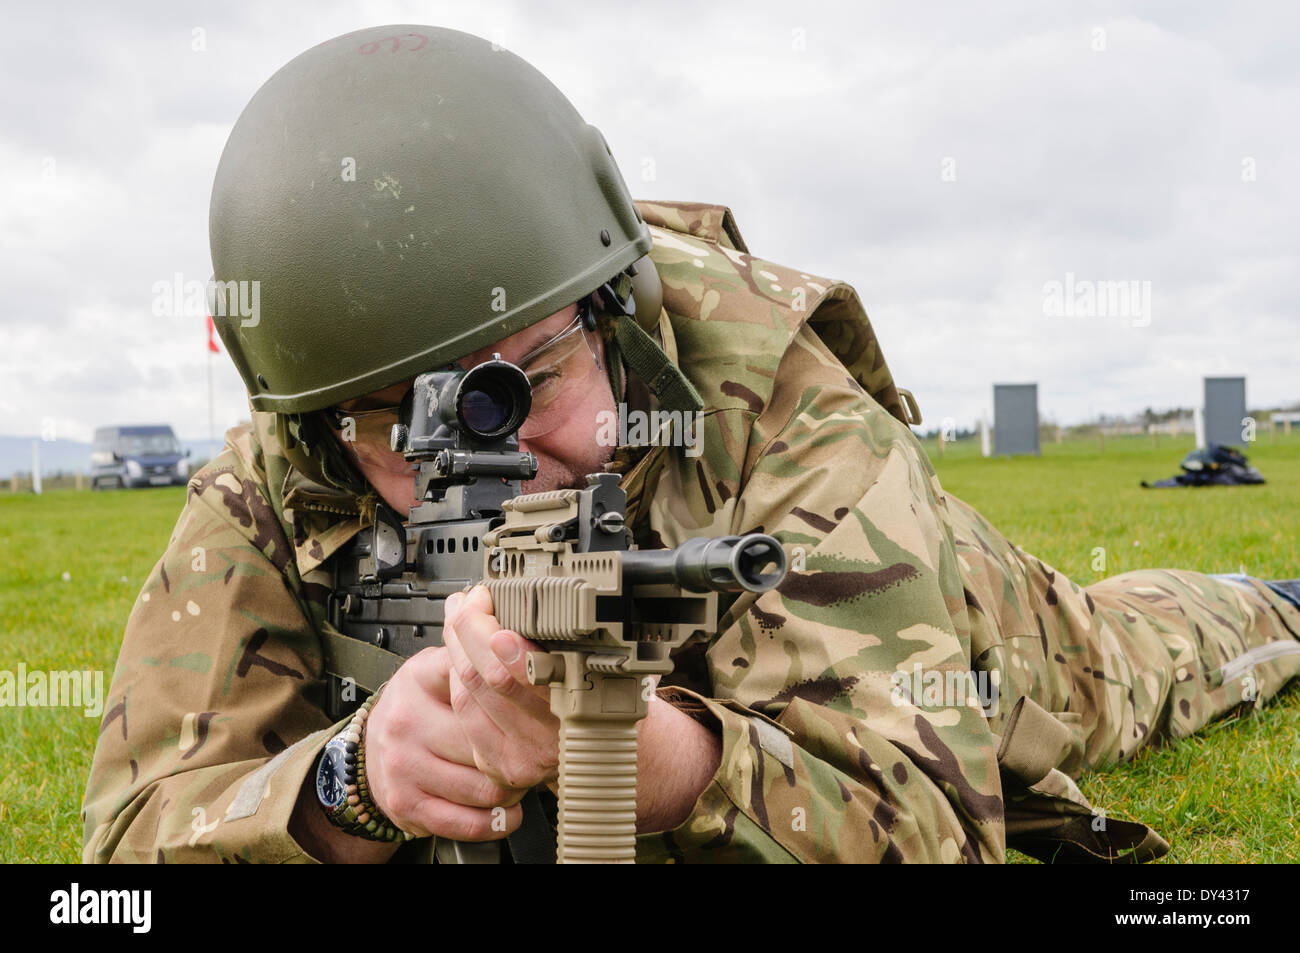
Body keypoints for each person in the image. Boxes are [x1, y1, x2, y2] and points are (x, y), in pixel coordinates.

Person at [82, 24, 1300, 864]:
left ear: (610, 312)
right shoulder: (277, 474)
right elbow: (117, 866)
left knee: (1144, 655)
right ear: (314, 422)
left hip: (993, 631)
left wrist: (654, 757)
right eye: (398, 423)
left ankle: (1274, 601)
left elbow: (929, 825)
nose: (480, 453)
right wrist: (349, 783)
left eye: (520, 386)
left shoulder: (781, 407)